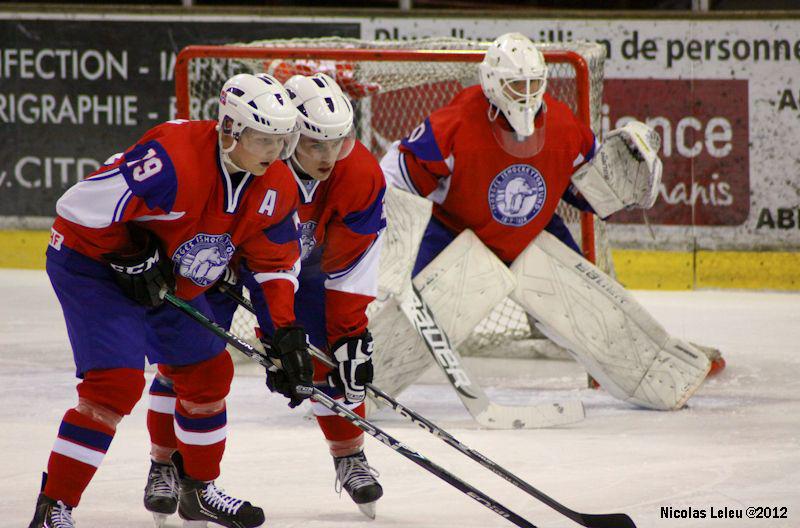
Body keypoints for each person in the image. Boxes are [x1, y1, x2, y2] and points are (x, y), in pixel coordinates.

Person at [28, 72, 314, 528]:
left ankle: (198, 490)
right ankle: (54, 506)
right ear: (230, 130)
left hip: (164, 278)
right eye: (263, 139)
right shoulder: (172, 160)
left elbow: (273, 265)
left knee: (207, 371)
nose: (276, 152)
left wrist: (283, 335)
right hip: (92, 266)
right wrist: (129, 252)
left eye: (283, 140)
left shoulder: (275, 185)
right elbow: (77, 208)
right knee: (114, 386)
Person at [380, 32, 723, 410]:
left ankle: (662, 376)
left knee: (592, 312)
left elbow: (590, 191)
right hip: (455, 235)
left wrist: (626, 181)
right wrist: (392, 244)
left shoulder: (562, 125)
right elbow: (396, 178)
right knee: (409, 325)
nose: (525, 93)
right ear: (492, 83)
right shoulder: (455, 124)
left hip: (534, 233)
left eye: (532, 83)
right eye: (515, 84)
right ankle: (355, 389)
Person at [143, 72, 387, 522]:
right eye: (316, 144)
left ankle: (349, 454)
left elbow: (354, 259)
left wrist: (350, 331)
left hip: (304, 271)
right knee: (184, 365)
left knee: (336, 354)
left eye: (340, 142)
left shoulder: (361, 175)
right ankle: (164, 464)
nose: (330, 157)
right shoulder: (256, 161)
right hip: (223, 267)